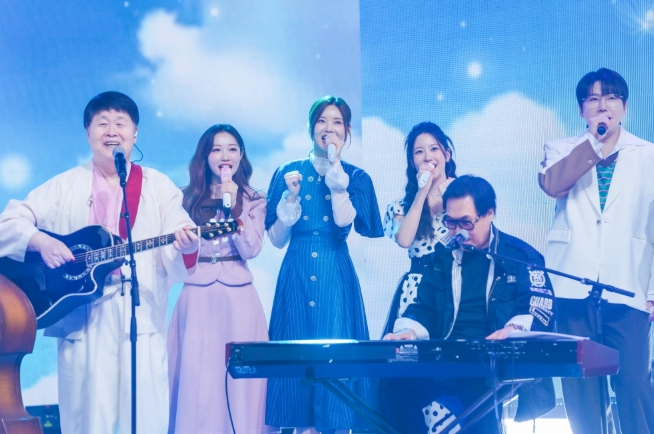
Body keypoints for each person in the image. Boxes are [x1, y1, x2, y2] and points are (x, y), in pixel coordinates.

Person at [0, 91, 199, 434]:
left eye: (120, 123)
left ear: (135, 133)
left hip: (138, 316)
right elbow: (8, 223)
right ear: (88, 132)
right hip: (82, 317)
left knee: (144, 415)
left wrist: (188, 244)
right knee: (87, 419)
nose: (111, 131)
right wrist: (41, 241)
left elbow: (178, 231)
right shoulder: (64, 185)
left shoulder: (158, 186)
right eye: (102, 123)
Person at [382, 175, 556, 434]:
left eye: (466, 222)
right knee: (395, 386)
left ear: (489, 214)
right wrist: (408, 331)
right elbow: (423, 307)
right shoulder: (442, 256)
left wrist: (514, 330)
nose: (458, 231)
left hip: (490, 361)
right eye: (451, 222)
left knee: (480, 400)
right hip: (446, 357)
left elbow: (538, 304)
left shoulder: (519, 256)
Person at [539, 68, 654, 434]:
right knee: (581, 390)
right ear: (581, 109)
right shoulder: (560, 150)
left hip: (630, 285)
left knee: (633, 383)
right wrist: (592, 143)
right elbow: (554, 185)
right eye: (593, 99)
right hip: (573, 286)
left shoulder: (648, 155)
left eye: (611, 98)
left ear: (625, 107)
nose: (603, 105)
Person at [264, 95, 384, 433]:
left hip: (335, 267)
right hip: (296, 268)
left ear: (347, 131)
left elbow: (345, 221)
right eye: (321, 121)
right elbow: (276, 239)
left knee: (336, 351)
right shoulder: (287, 172)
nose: (328, 128)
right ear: (310, 127)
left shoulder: (355, 176)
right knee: (294, 348)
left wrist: (336, 172)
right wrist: (289, 199)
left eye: (337, 122)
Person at [167, 124, 270, 433]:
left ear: (241, 155)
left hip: (239, 297)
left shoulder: (254, 199)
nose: (225, 156)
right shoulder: (184, 198)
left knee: (239, 383)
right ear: (205, 156)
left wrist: (235, 207)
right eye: (216, 149)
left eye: (232, 149)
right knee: (197, 380)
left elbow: (251, 249)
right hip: (197, 293)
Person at [381, 121, 456, 336]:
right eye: (419, 152)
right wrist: (422, 192)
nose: (428, 157)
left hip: (453, 285)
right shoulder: (400, 207)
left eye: (434, 149)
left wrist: (451, 201)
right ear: (412, 162)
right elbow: (404, 240)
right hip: (415, 292)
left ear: (447, 155)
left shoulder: (464, 197)